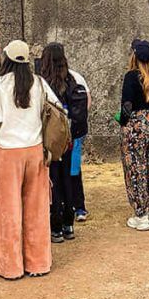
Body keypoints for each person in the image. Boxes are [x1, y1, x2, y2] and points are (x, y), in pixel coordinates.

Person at [0, 40, 58, 279]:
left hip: (8, 151)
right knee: (37, 209)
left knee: (8, 210)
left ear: (6, 58)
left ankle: (11, 266)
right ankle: (39, 262)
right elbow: (55, 109)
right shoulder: (39, 83)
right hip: (35, 149)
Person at [38, 43, 89, 243]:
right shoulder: (72, 81)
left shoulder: (43, 83)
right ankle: (69, 224)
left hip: (49, 142)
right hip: (68, 140)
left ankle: (55, 225)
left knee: (52, 182)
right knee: (69, 179)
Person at [120, 40, 149, 231]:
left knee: (136, 167)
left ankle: (141, 214)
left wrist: (122, 122)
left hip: (137, 123)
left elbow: (127, 105)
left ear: (135, 56)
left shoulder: (131, 76)